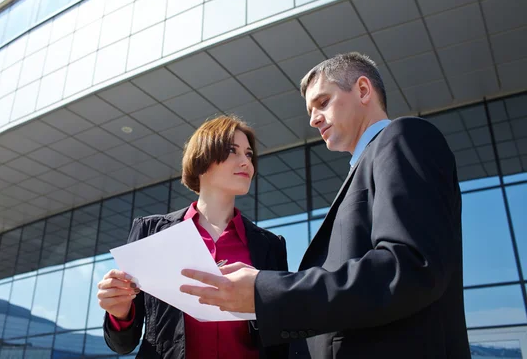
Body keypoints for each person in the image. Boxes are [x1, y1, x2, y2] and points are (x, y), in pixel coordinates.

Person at [180, 52, 471, 358]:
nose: (313, 118)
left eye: (322, 102)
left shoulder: (403, 137)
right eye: (310, 110)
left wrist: (264, 290)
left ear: (362, 90)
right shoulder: (366, 166)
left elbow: (409, 266)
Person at [97, 115, 289, 359]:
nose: (246, 163)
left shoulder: (270, 245)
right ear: (203, 159)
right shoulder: (151, 232)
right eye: (233, 151)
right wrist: (120, 313)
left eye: (249, 154)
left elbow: (281, 334)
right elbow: (123, 344)